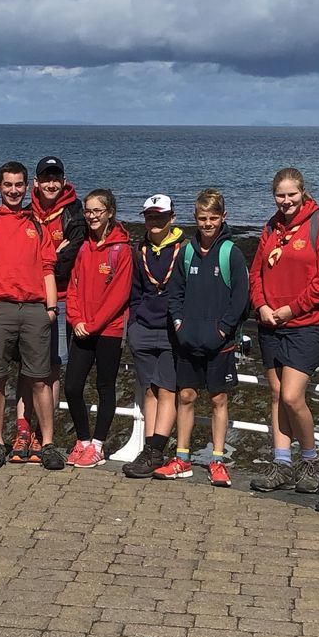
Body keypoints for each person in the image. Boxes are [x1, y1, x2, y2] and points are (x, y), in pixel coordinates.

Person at [248, 167, 319, 492]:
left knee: (292, 396)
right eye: (280, 195)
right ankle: (282, 463)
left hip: (306, 325)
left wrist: (291, 309)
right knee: (276, 395)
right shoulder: (271, 226)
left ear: (303, 192)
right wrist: (261, 306)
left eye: (292, 194)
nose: (286, 201)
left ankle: (311, 459)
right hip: (270, 323)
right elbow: (256, 272)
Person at [0, 162, 64, 470]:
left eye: (18, 185)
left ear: (27, 187)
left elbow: (48, 268)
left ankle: (47, 443)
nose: (13, 190)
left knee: (40, 379)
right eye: (7, 184)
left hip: (34, 309)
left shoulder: (36, 224)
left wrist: (50, 308)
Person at [161, 190, 249, 487]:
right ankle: (182, 458)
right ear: (195, 219)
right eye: (202, 218)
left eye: (213, 218)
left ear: (223, 217)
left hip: (219, 342)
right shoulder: (186, 251)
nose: (208, 223)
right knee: (185, 396)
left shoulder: (231, 253)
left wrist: (223, 329)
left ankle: (218, 460)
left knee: (218, 398)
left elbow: (240, 299)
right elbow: (175, 293)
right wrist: (179, 325)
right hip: (188, 338)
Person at [63, 190, 131, 469]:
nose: (91, 216)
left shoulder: (122, 249)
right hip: (82, 329)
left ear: (110, 212)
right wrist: (76, 319)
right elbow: (74, 286)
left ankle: (98, 445)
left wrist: (92, 325)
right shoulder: (83, 247)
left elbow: (119, 295)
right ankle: (82, 440)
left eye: (97, 211)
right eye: (88, 211)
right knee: (72, 386)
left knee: (104, 386)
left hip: (108, 331)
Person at [20, 156, 83, 453]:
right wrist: (50, 256)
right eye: (45, 178)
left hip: (60, 298)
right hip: (30, 299)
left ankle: (46, 433)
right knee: (28, 368)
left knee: (53, 368)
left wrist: (46, 262)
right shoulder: (24, 211)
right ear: (36, 182)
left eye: (56, 177)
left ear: (64, 180)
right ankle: (24, 431)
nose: (51, 183)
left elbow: (74, 252)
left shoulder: (73, 211)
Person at [122, 195, 185, 479]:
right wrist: (133, 325)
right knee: (149, 389)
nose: (154, 222)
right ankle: (148, 449)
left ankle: (157, 449)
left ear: (171, 217)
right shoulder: (140, 250)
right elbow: (135, 291)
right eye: (149, 216)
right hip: (144, 329)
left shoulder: (184, 250)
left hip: (172, 331)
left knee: (167, 389)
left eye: (160, 216)